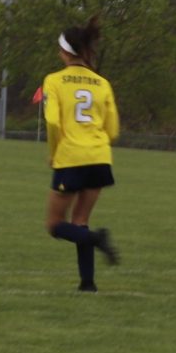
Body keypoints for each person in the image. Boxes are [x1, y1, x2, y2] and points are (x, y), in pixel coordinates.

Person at [43, 17, 120, 292]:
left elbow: (52, 122)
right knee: (81, 221)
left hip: (70, 157)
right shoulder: (102, 83)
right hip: (100, 158)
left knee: (54, 225)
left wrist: (54, 153)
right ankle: (87, 284)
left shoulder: (54, 81)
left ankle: (98, 240)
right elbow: (112, 129)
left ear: (65, 51)